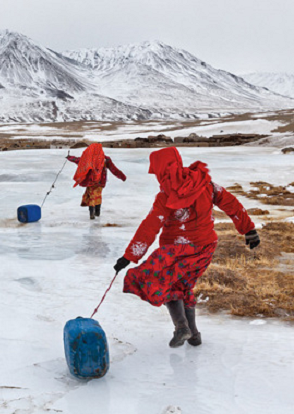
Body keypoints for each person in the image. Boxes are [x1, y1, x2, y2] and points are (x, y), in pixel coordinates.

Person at [113, 147, 260, 347]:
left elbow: (150, 226)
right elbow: (230, 203)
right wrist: (248, 229)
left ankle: (182, 327)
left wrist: (129, 256)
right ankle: (194, 335)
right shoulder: (205, 183)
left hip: (176, 250)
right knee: (185, 286)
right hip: (205, 248)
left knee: (160, 282)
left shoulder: (165, 196)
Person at [67, 143, 126, 219]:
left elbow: (78, 160)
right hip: (100, 182)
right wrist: (122, 177)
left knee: (92, 196)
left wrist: (69, 157)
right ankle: (97, 212)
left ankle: (92, 213)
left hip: (90, 181)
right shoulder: (106, 159)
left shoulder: (88, 158)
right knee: (97, 196)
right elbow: (114, 169)